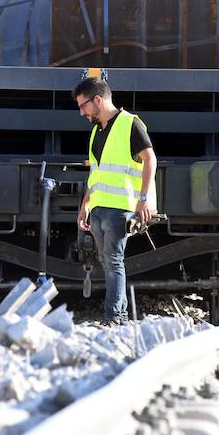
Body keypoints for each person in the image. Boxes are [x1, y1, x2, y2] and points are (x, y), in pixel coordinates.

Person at [73, 77, 157, 324]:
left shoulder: (130, 124)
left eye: (83, 105)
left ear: (98, 99)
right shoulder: (96, 132)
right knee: (108, 262)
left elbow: (150, 159)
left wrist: (143, 199)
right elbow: (96, 174)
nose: (82, 112)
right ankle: (116, 314)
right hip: (99, 209)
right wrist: (85, 205)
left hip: (120, 208)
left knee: (113, 261)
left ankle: (115, 316)